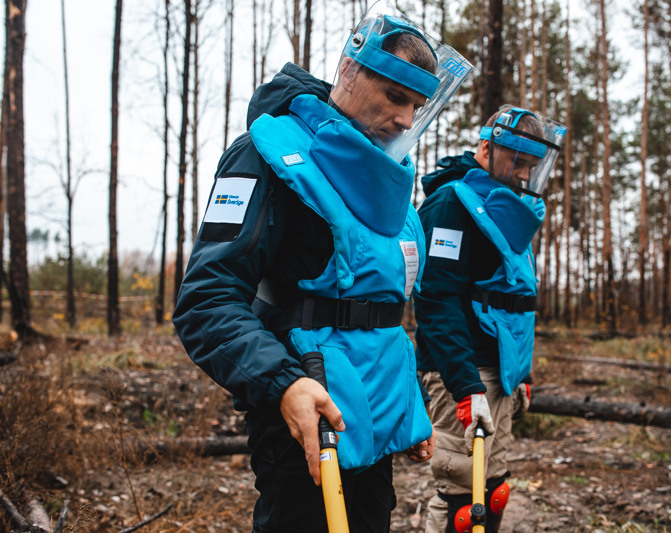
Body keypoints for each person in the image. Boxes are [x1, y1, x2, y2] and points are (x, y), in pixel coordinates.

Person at [172, 2, 472, 531]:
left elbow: (380, 310)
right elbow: (206, 299)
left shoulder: (391, 179)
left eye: (417, 105)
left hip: (377, 407)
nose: (405, 119)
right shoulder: (268, 154)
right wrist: (283, 384)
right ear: (348, 73)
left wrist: (407, 404)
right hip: (302, 404)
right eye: (394, 96)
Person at [413, 105, 566, 533]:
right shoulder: (449, 205)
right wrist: (465, 388)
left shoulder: (505, 209)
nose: (522, 174)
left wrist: (522, 373)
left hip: (500, 372)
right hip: (462, 373)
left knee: (492, 489)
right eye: (516, 161)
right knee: (463, 497)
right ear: (485, 147)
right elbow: (436, 302)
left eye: (530, 166)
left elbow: (513, 298)